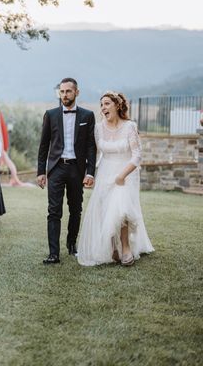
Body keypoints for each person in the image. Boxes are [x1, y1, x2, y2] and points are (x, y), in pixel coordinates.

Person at [77, 92, 153, 266]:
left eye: (106, 103)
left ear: (117, 105)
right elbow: (94, 153)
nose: (103, 107)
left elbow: (137, 156)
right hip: (105, 171)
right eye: (101, 104)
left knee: (121, 208)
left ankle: (126, 248)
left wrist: (122, 175)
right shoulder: (98, 128)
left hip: (126, 173)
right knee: (106, 209)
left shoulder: (129, 127)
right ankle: (113, 248)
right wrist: (89, 174)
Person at [37, 78, 96, 264]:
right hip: (56, 168)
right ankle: (53, 253)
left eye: (68, 91)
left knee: (75, 209)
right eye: (62, 92)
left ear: (76, 92)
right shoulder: (51, 114)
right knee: (54, 211)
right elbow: (43, 145)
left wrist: (90, 172)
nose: (64, 95)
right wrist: (41, 171)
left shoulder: (87, 116)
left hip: (77, 169)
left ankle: (71, 245)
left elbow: (90, 147)